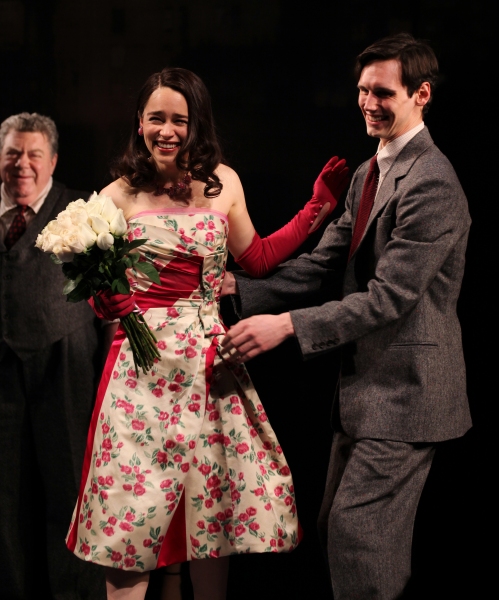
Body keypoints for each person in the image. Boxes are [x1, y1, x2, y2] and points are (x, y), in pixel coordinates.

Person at [65, 67, 349, 600]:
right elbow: (93, 285)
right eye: (156, 119)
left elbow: (258, 259)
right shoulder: (117, 195)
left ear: (198, 125)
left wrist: (318, 208)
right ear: (140, 124)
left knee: (210, 517)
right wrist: (107, 297)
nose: (167, 131)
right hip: (141, 375)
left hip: (206, 367)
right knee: (130, 517)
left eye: (179, 119)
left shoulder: (226, 182)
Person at [221, 33, 472, 599]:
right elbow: (321, 263)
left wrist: (286, 326)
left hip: (407, 396)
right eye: (362, 91)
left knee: (360, 540)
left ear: (421, 94)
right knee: (341, 529)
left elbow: (388, 298)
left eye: (382, 92)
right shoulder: (369, 173)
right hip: (364, 392)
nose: (367, 102)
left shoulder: (431, 181)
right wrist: (244, 287)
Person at [0, 113, 106, 599]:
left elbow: (109, 297)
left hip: (66, 360)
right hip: (3, 367)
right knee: (4, 497)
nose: (23, 165)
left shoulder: (79, 209)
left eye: (33, 154)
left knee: (68, 491)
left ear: (52, 160)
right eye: (13, 154)